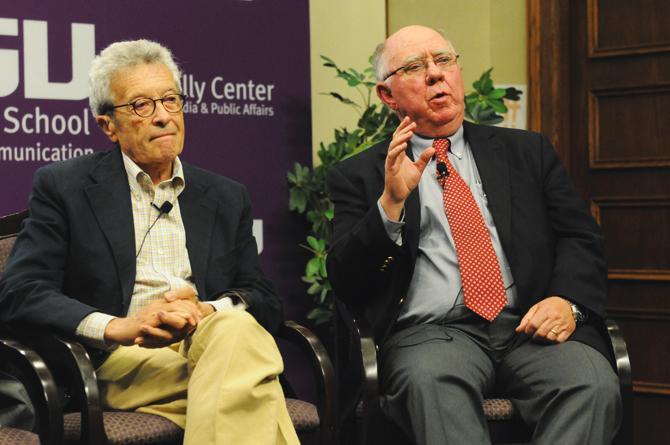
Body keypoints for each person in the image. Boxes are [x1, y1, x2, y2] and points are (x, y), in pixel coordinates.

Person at [327, 25, 621, 444]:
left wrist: (567, 302)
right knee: (433, 384)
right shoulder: (360, 175)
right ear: (388, 96)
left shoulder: (526, 152)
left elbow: (581, 238)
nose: (435, 74)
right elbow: (347, 280)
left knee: (591, 384)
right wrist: (390, 205)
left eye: (443, 60)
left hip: (527, 328)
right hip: (433, 334)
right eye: (414, 67)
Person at [0, 39, 299, 445]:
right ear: (108, 125)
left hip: (211, 344)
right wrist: (120, 327)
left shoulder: (226, 195)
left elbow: (262, 296)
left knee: (232, 329)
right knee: (250, 375)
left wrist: (204, 310)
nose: (163, 117)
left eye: (170, 100)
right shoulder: (65, 187)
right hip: (116, 361)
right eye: (141, 106)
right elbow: (22, 292)